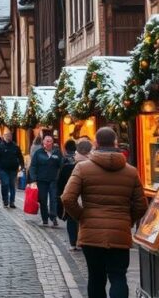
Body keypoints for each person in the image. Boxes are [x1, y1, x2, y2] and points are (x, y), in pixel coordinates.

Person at [61, 127, 147, 298]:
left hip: (91, 233)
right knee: (118, 276)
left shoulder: (82, 168)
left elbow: (67, 198)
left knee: (96, 277)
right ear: (115, 143)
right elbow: (141, 204)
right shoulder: (130, 171)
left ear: (96, 143)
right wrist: (127, 220)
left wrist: (82, 217)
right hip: (119, 232)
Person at [57, 139, 90, 251]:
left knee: (72, 218)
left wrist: (60, 199)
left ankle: (73, 242)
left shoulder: (68, 165)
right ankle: (81, 241)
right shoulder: (94, 166)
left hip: (72, 196)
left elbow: (60, 183)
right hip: (86, 199)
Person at [28, 135, 63, 226]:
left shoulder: (57, 152)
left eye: (50, 141)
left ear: (52, 142)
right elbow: (33, 166)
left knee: (53, 199)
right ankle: (45, 219)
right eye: (47, 141)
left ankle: (53, 216)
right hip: (41, 180)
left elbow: (62, 165)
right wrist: (33, 179)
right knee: (42, 200)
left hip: (53, 180)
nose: (48, 143)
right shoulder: (38, 153)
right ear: (43, 142)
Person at [0, 130, 26, 208]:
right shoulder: (0, 147)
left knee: (12, 185)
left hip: (13, 169)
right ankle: (5, 200)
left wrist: (22, 166)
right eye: (7, 135)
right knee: (5, 183)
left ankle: (12, 201)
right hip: (3, 169)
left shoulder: (15, 146)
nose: (8, 136)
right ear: (3, 136)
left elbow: (20, 157)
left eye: (10, 135)